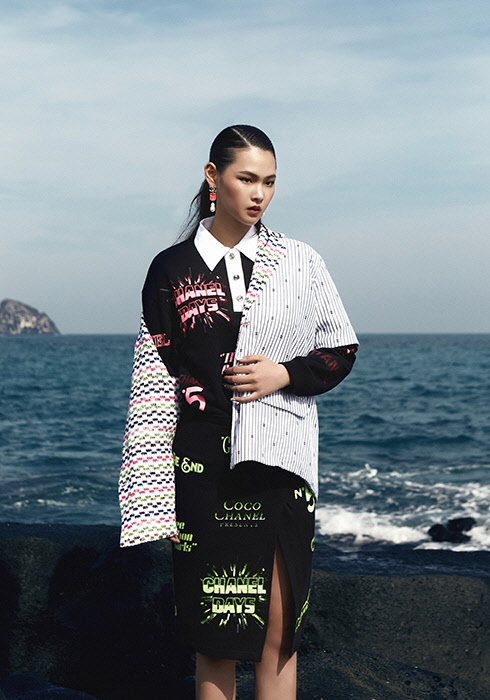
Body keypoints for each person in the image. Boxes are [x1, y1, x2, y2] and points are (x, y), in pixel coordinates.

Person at [119, 125, 358, 700]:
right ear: (213, 177)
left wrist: (285, 373)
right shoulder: (171, 269)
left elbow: (341, 348)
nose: (259, 194)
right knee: (215, 638)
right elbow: (156, 377)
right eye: (246, 179)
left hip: (280, 462)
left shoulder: (298, 260)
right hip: (203, 468)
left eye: (269, 182)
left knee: (280, 631)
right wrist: (152, 491)